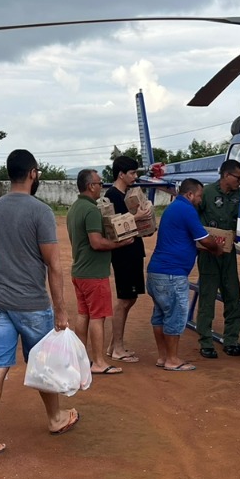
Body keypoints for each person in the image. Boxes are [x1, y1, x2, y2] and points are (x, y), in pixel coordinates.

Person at [0, 149, 78, 459]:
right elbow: (53, 265)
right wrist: (60, 309)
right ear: (33, 173)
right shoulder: (40, 211)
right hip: (31, 304)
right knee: (41, 362)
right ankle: (56, 419)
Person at [146, 178, 223, 372]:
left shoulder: (173, 208)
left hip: (157, 272)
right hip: (172, 274)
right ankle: (172, 359)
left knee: (160, 315)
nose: (200, 200)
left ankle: (163, 357)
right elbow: (205, 239)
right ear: (190, 194)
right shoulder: (187, 210)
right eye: (199, 196)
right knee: (175, 315)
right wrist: (217, 248)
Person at [66, 168, 136, 376]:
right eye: (99, 183)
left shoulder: (75, 208)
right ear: (90, 186)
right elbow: (96, 243)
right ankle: (98, 361)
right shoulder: (91, 210)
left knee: (84, 314)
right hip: (94, 273)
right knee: (98, 317)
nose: (101, 187)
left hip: (79, 270)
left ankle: (82, 359)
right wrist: (120, 243)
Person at [195, 159, 240, 358]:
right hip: (208, 253)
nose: (239, 182)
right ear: (226, 175)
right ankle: (206, 341)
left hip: (228, 253)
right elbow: (194, 218)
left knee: (233, 295)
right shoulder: (206, 193)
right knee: (207, 297)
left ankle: (231, 339)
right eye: (237, 178)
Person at [104, 155, 150, 363]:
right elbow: (113, 227)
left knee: (130, 298)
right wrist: (137, 218)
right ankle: (117, 348)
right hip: (122, 254)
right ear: (121, 174)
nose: (135, 176)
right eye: (132, 173)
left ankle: (114, 344)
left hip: (133, 251)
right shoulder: (112, 196)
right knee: (124, 299)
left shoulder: (129, 195)